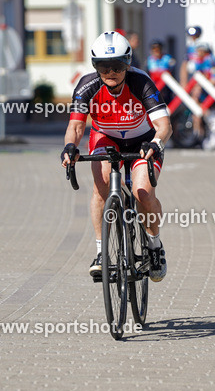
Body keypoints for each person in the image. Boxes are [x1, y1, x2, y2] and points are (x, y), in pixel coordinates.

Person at [61, 31, 171, 281]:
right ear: (94, 65)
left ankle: (154, 246)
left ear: (128, 64)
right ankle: (102, 253)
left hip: (143, 140)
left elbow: (164, 126)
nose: (111, 72)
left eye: (118, 66)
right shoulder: (87, 85)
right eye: (103, 66)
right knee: (101, 190)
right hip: (106, 138)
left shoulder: (141, 83)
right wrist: (70, 147)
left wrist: (156, 142)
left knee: (142, 192)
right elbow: (76, 127)